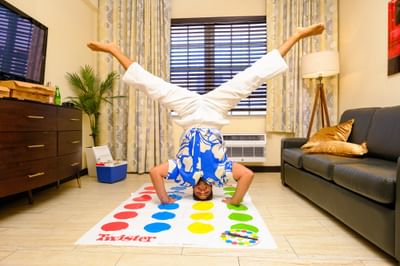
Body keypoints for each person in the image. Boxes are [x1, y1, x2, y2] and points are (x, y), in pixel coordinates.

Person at [87, 22, 325, 205]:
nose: (202, 190)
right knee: (251, 77)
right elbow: (249, 176)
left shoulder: (182, 172)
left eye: (198, 193)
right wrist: (234, 200)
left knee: (153, 86)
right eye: (206, 193)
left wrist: (165, 199)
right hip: (214, 111)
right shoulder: (221, 171)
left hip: (189, 112)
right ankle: (296, 35)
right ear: (212, 189)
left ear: (192, 190)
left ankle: (114, 50)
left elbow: (154, 173)